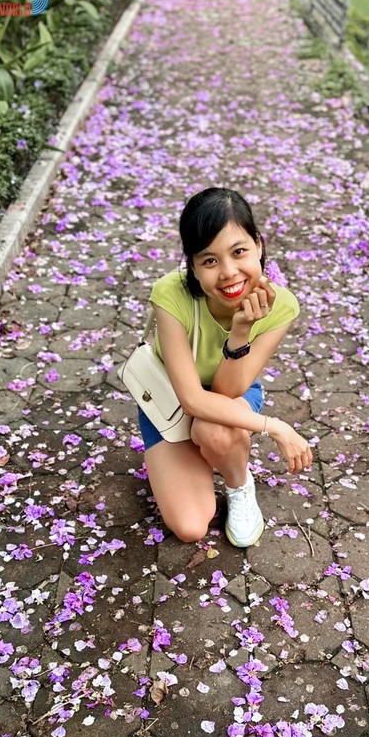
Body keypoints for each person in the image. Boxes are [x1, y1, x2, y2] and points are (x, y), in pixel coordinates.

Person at [138, 187, 312, 547]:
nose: (229, 273)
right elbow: (191, 400)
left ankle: (238, 484)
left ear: (258, 245)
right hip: (168, 402)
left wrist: (241, 332)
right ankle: (194, 457)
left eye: (239, 252)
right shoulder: (171, 294)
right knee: (190, 527)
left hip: (230, 397)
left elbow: (227, 393)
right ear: (192, 265)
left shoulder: (281, 306)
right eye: (210, 261)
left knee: (214, 429)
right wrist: (274, 427)